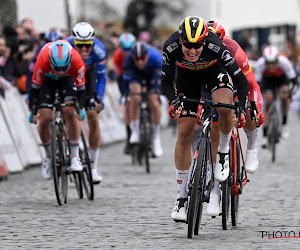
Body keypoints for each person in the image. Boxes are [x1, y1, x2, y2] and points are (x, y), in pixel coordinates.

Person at [161, 16, 249, 222]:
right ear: (180, 40)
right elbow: (165, 81)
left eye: (198, 45)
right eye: (188, 46)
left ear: (205, 40)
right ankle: (181, 198)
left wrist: (242, 109)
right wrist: (173, 101)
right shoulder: (170, 46)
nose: (192, 51)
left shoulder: (216, 45)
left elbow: (241, 81)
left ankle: (223, 151)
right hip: (186, 79)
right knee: (184, 133)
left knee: (224, 108)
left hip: (213, 73)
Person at [200, 20, 264, 216]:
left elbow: (252, 85)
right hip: (209, 86)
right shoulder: (198, 51)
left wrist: (255, 108)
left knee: (249, 111)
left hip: (236, 86)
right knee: (214, 130)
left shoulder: (234, 50)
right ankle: (215, 194)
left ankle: (252, 147)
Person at [29, 40, 86, 179]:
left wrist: (81, 108)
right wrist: (34, 110)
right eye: (57, 68)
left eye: (63, 68)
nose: (60, 72)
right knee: (44, 119)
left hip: (67, 80)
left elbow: (81, 91)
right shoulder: (42, 60)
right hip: (47, 80)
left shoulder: (77, 61)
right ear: (50, 61)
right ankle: (48, 158)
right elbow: (35, 90)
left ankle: (74, 156)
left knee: (70, 112)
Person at [66, 22, 107, 184]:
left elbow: (101, 77)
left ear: (93, 42)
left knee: (93, 117)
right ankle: (74, 156)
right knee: (69, 111)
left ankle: (93, 166)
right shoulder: (66, 46)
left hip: (89, 77)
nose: (83, 49)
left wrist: (99, 98)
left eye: (87, 46)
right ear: (74, 42)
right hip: (69, 76)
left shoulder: (99, 50)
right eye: (80, 45)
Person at [123, 41, 163, 157]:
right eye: (137, 59)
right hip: (137, 76)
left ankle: (155, 137)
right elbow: (125, 81)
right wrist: (127, 94)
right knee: (135, 98)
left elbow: (161, 81)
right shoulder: (129, 60)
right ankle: (135, 130)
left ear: (148, 56)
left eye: (142, 58)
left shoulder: (156, 59)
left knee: (154, 103)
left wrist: (157, 92)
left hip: (152, 76)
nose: (140, 61)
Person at [255, 45, 298, 147]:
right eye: (268, 63)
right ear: (264, 60)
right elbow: (257, 83)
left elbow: (294, 81)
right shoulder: (260, 63)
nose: (271, 66)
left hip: (281, 78)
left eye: (273, 63)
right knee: (267, 102)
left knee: (284, 95)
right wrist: (263, 93)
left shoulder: (284, 62)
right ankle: (265, 136)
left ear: (278, 59)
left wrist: (290, 94)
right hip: (267, 79)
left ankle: (284, 123)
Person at [112, 32, 136, 154]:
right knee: (128, 104)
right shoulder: (117, 56)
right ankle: (129, 136)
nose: (127, 52)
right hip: (124, 78)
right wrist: (125, 93)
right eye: (124, 49)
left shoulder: (138, 52)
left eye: (129, 49)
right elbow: (121, 76)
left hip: (138, 75)